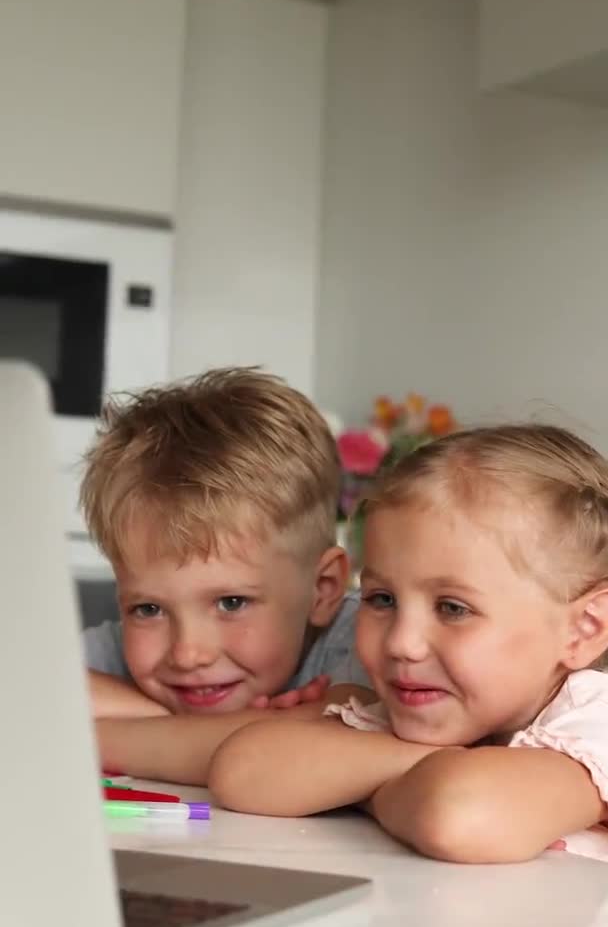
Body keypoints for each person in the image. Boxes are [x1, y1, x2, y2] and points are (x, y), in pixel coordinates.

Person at [209, 424, 608, 864]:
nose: (402, 643)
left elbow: (458, 814)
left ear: (583, 629)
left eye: (453, 608)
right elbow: (243, 769)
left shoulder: (593, 726)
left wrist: (362, 787)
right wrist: (414, 777)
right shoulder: (429, 709)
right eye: (382, 599)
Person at [81, 367, 371, 781]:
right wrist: (155, 716)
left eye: (231, 602)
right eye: (148, 609)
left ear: (322, 589)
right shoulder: (116, 652)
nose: (187, 653)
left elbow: (308, 754)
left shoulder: (365, 640)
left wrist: (93, 727)